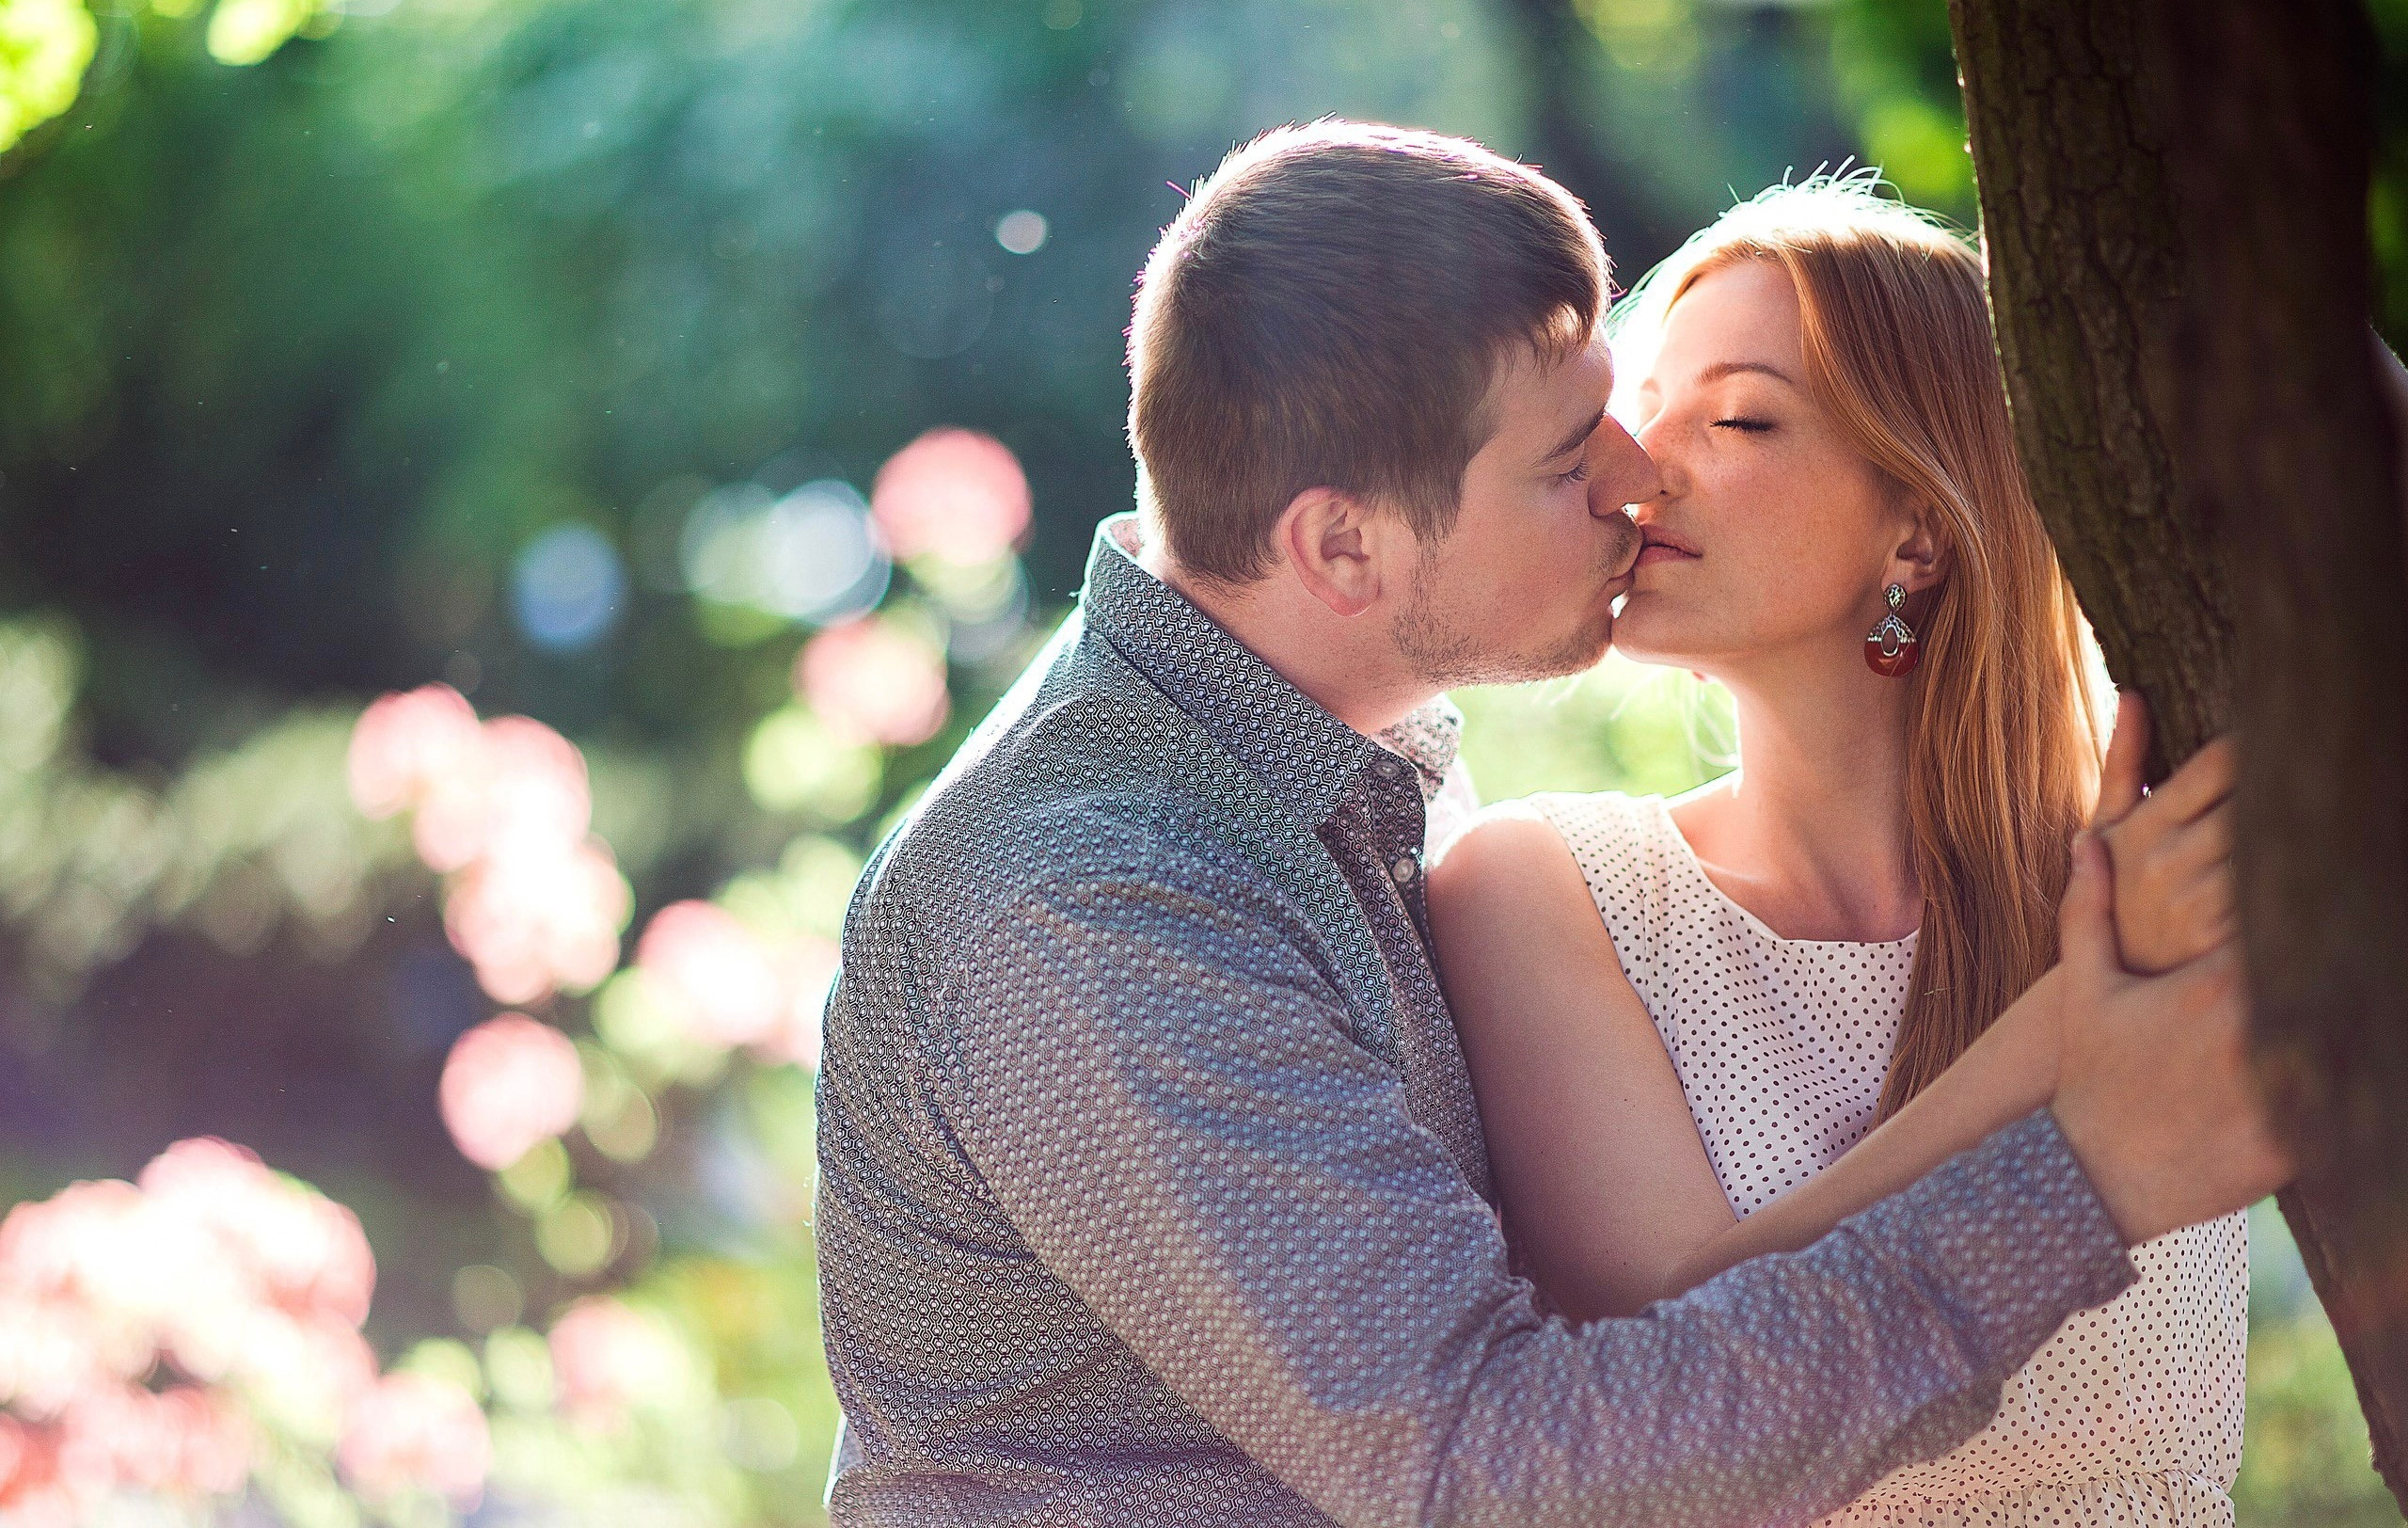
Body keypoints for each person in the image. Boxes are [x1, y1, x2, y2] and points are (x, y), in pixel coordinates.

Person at [811, 124, 2289, 1528]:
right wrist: (2087, 1152)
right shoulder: (1098, 901)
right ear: (1343, 545)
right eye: (1571, 457)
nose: (1637, 482)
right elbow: (1499, 1472)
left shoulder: (1334, 795)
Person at [1428, 177, 2249, 1526]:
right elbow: (1684, 1392)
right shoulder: (1547, 891)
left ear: (1919, 528)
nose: (1638, 471)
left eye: (1739, 418)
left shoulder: (2155, 869)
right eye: (1640, 413)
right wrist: (2083, 1030)